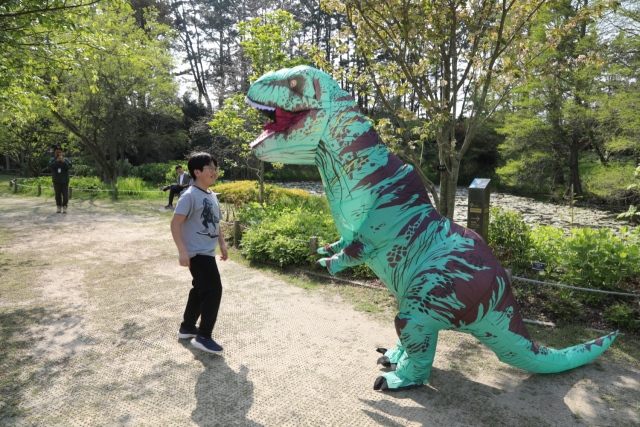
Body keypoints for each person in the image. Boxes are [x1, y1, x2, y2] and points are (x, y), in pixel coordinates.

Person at [170, 152, 228, 354]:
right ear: (196, 172)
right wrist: (182, 251)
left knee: (200, 288)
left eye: (215, 168)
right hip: (197, 253)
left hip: (208, 251)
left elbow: (216, 222)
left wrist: (222, 243)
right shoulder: (190, 195)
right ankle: (204, 335)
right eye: (210, 168)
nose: (214, 172)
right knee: (214, 290)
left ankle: (187, 327)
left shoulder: (211, 195)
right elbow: (175, 223)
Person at [48, 146, 72, 214]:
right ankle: (58, 206)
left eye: (60, 152)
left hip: (65, 180)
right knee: (57, 194)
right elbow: (50, 166)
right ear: (54, 152)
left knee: (65, 194)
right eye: (57, 152)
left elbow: (69, 167)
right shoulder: (52, 160)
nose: (58, 153)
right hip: (56, 180)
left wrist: (64, 162)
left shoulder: (66, 160)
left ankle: (65, 206)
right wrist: (56, 161)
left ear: (62, 152)